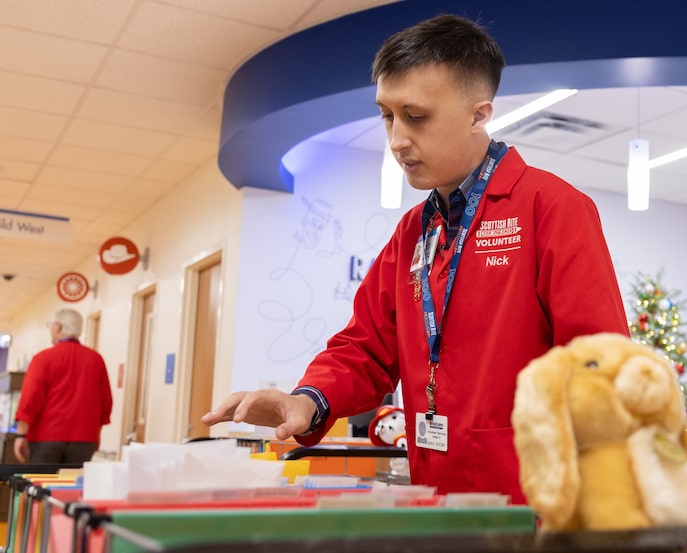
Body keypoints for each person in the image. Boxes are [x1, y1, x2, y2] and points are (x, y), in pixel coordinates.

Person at [203, 14, 629, 503]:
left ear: (478, 114)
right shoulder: (413, 234)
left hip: (536, 508)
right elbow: (363, 348)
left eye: (416, 116)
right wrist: (306, 401)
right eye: (388, 115)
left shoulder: (550, 208)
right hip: (438, 498)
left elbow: (600, 365)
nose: (397, 140)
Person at [14, 308, 113, 464]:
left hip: (46, 439)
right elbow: (105, 402)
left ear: (58, 327)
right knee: (71, 487)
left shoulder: (43, 358)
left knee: (41, 486)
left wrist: (20, 435)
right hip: (84, 439)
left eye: (51, 326)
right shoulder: (96, 360)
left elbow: (30, 398)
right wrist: (96, 435)